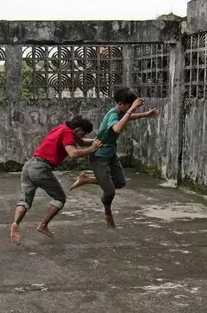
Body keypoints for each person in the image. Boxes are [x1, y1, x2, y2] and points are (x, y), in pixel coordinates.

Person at [70, 86, 159, 228]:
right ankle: (108, 214)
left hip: (110, 155)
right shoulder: (113, 114)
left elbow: (126, 118)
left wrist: (145, 114)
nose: (132, 109)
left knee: (120, 183)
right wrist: (132, 109)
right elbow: (117, 128)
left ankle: (86, 179)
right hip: (99, 157)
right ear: (121, 104)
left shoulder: (120, 113)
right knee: (110, 191)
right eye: (130, 106)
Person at [10, 115, 102, 245]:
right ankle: (43, 225)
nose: (84, 135)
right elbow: (73, 153)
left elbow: (81, 142)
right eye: (84, 132)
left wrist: (98, 141)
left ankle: (15, 223)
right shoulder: (68, 133)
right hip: (41, 168)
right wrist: (92, 149)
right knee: (60, 198)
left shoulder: (62, 128)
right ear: (77, 130)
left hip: (29, 166)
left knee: (25, 200)